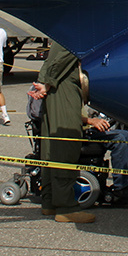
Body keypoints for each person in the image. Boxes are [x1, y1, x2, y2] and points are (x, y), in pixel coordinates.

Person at [27, 41, 94, 224]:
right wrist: (47, 82)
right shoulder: (79, 19)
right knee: (66, 142)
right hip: (63, 84)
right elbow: (67, 49)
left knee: (51, 145)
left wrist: (45, 80)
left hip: (57, 83)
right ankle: (66, 207)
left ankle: (49, 201)